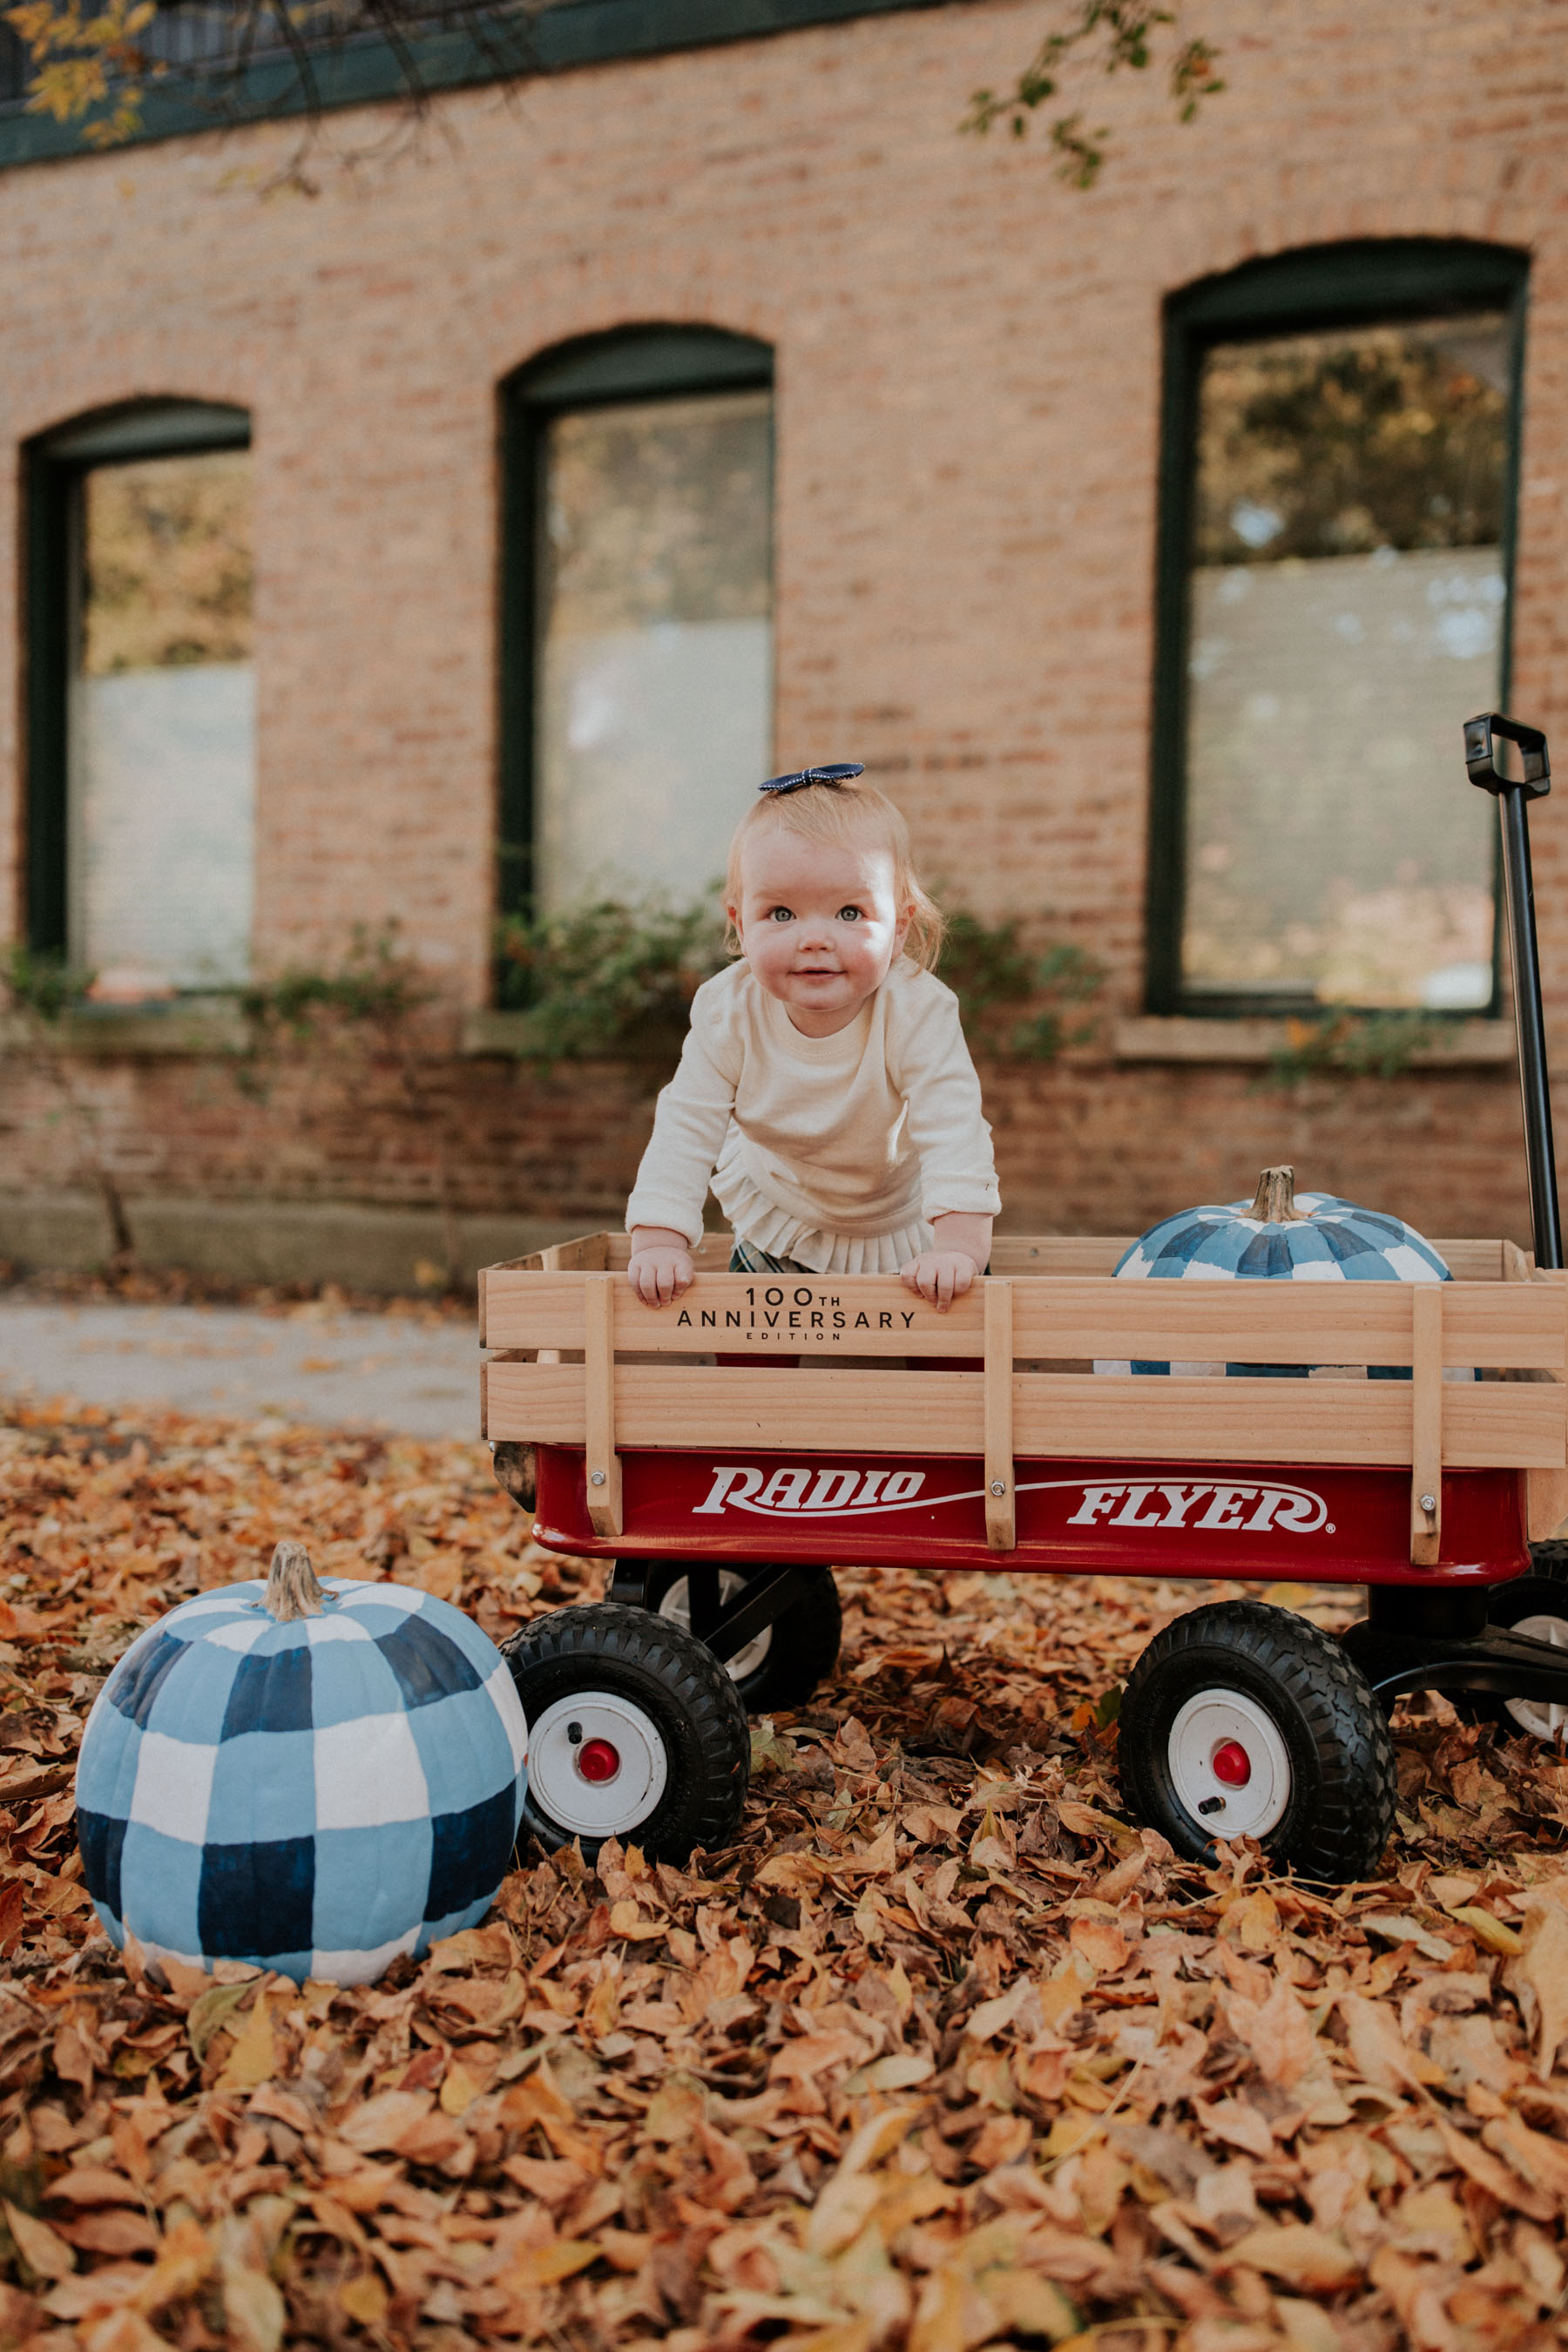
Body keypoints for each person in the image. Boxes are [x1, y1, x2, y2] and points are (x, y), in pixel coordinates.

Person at [625, 763, 999, 1313]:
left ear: (899, 927)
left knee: (951, 1343)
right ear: (739, 924)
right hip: (782, 1210)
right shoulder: (728, 1011)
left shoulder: (918, 1011)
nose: (815, 939)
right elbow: (687, 1123)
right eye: (781, 913)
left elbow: (954, 1127)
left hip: (903, 1219)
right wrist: (659, 1238)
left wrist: (960, 1246)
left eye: (851, 912)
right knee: (749, 1345)